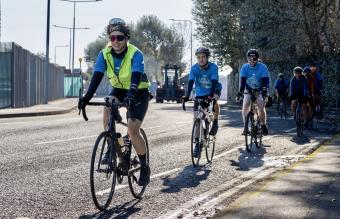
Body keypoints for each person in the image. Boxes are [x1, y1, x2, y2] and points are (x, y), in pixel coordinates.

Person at [78, 18, 151, 186]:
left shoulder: (135, 53)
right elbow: (96, 76)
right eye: (112, 38)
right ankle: (113, 144)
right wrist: (87, 96)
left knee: (133, 131)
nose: (116, 41)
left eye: (120, 38)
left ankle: (145, 167)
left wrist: (131, 94)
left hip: (138, 91)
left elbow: (136, 76)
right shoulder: (104, 54)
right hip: (118, 89)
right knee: (107, 106)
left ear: (126, 38)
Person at [182, 47, 221, 158]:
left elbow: (214, 82)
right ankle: (198, 143)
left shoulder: (213, 67)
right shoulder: (194, 68)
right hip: (200, 93)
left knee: (214, 101)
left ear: (207, 57)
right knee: (197, 116)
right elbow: (190, 82)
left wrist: (210, 97)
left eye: (203, 57)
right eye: (199, 57)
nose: (201, 59)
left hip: (213, 89)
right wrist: (187, 95)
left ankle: (216, 122)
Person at [238, 49, 269, 136]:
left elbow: (265, 81)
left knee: (260, 106)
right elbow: (243, 81)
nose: (251, 61)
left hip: (260, 89)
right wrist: (240, 92)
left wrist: (264, 90)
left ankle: (263, 125)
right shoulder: (244, 67)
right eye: (249, 59)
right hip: (249, 89)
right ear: (247, 59)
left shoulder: (262, 67)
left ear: (257, 59)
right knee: (245, 106)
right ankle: (245, 127)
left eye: (254, 59)